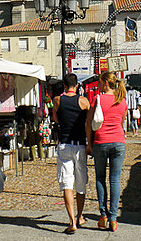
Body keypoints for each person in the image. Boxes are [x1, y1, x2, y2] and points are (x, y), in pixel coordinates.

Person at [85, 71, 128, 232]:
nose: (97, 84)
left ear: (104, 83)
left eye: (99, 82)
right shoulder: (122, 101)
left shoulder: (98, 99)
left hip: (101, 141)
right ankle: (113, 218)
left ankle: (103, 215)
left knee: (100, 178)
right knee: (115, 180)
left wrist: (89, 143)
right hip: (118, 142)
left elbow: (89, 122)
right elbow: (122, 121)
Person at [52, 73, 91, 234]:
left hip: (64, 144)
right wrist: (89, 143)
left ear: (63, 84)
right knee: (81, 182)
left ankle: (72, 221)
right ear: (77, 85)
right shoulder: (83, 101)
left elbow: (56, 119)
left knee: (67, 184)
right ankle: (80, 216)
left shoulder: (57, 100)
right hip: (80, 144)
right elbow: (88, 123)